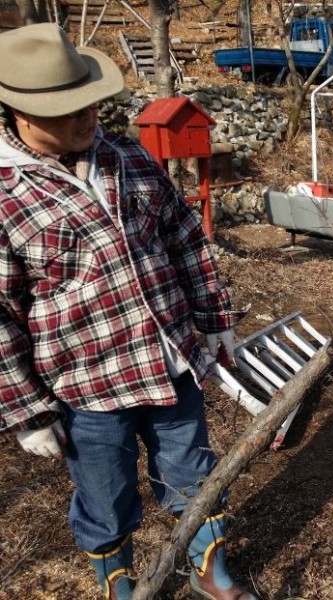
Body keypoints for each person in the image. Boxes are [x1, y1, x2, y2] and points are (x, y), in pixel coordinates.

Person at [0, 24, 259, 600]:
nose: (86, 118)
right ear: (18, 113)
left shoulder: (126, 158)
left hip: (170, 364)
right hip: (86, 387)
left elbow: (184, 236)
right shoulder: (6, 193)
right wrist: (25, 411)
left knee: (194, 474)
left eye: (89, 104)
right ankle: (119, 587)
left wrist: (214, 316)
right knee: (105, 496)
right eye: (67, 112)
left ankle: (210, 573)